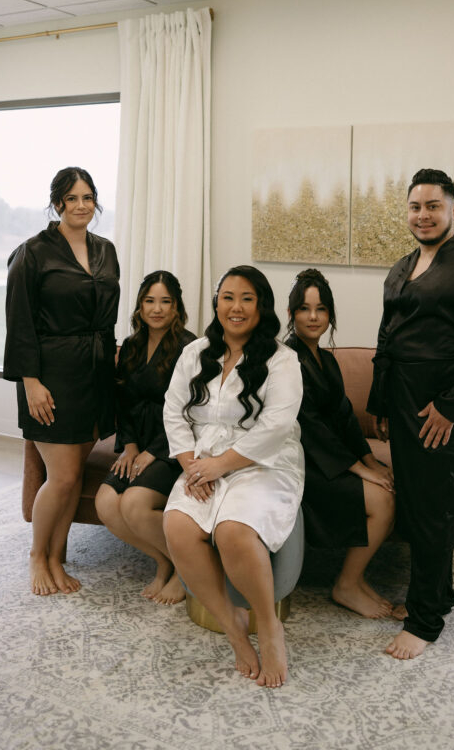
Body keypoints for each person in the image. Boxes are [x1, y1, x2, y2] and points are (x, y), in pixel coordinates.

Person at [367, 168, 454, 659]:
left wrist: (449, 407)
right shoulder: (403, 266)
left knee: (433, 510)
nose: (422, 215)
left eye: (432, 205)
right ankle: (440, 593)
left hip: (441, 410)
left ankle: (425, 622)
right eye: (415, 206)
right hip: (403, 403)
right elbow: (387, 340)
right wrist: (380, 404)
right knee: (416, 504)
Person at [162, 266, 304, 689]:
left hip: (263, 462)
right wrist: (193, 466)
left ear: (261, 306)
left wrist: (220, 466)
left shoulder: (283, 359)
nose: (236, 307)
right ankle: (234, 630)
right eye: (227, 297)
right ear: (216, 303)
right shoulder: (196, 352)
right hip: (201, 461)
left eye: (246, 298)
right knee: (177, 526)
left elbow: (276, 426)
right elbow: (173, 411)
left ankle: (270, 628)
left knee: (233, 531)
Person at [4, 167, 119, 597]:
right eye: (72, 198)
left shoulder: (106, 251)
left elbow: (108, 321)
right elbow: (19, 322)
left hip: (96, 374)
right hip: (51, 375)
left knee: (74, 474)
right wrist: (30, 382)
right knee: (64, 476)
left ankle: (56, 556)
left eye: (88, 197)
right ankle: (38, 556)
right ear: (57, 204)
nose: (81, 205)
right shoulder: (32, 253)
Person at [284, 268, 395, 618]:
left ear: (330, 314)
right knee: (381, 500)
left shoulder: (326, 359)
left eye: (321, 309)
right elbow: (311, 428)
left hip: (329, 459)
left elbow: (345, 417)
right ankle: (346, 584)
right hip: (303, 465)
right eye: (304, 308)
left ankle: (356, 579)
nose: (313, 317)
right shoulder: (287, 361)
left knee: (390, 484)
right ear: (291, 314)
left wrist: (370, 460)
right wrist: (361, 470)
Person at [95, 271, 195, 605]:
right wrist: (131, 447)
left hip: (173, 448)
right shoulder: (132, 346)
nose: (157, 309)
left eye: (165, 301)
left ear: (176, 306)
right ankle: (165, 560)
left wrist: (152, 452)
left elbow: (192, 412)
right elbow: (124, 402)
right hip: (139, 442)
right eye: (149, 301)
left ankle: (187, 571)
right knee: (106, 503)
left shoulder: (190, 348)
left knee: (135, 505)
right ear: (139, 306)